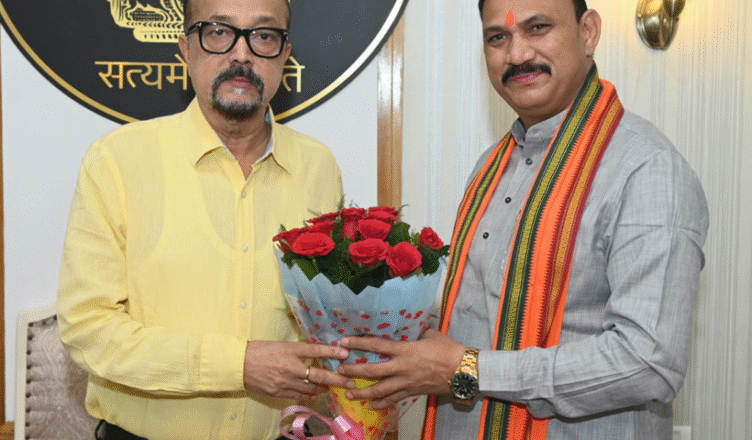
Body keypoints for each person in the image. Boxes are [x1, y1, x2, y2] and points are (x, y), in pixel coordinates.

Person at [338, 0, 709, 439]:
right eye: (498, 37)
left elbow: (648, 363)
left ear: (588, 32)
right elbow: (481, 317)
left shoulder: (646, 169)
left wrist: (468, 369)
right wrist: (388, 331)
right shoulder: (492, 167)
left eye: (538, 28)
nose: (517, 54)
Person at [57, 0, 353, 438]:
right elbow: (88, 329)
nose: (241, 54)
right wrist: (237, 365)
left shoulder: (318, 167)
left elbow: (329, 314)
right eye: (219, 32)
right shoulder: (118, 161)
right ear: (186, 48)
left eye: (264, 36)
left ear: (284, 56)